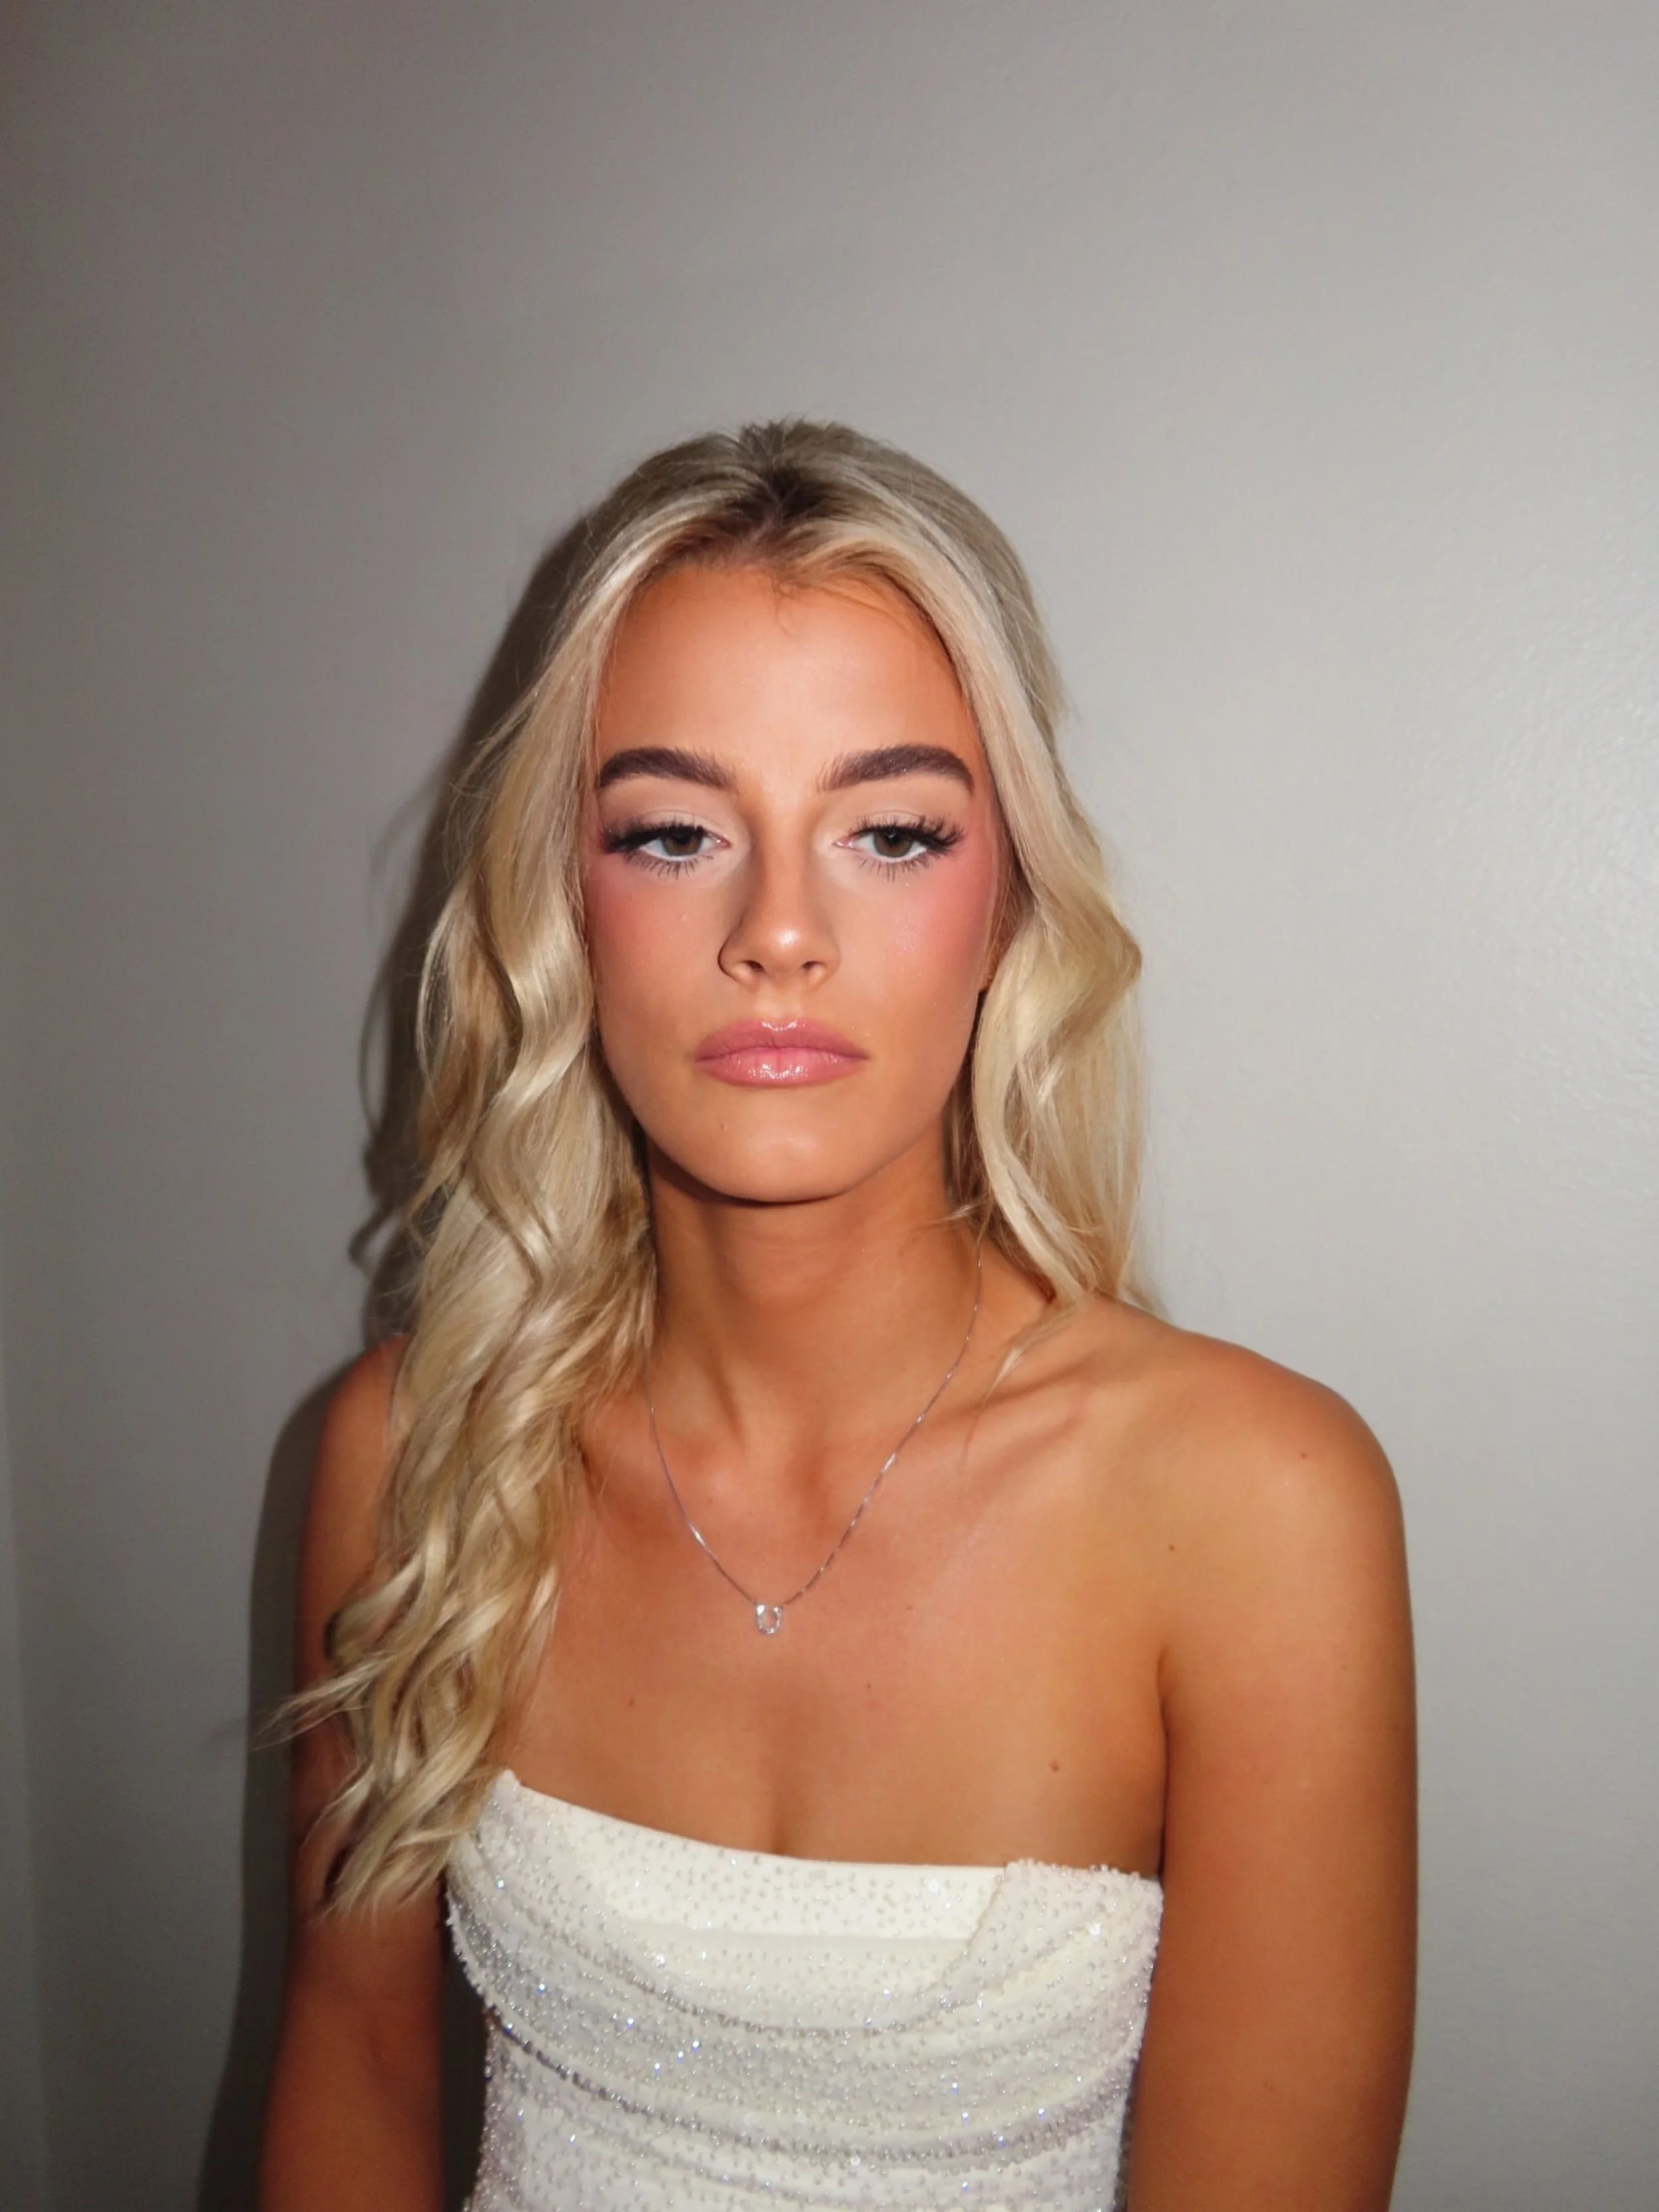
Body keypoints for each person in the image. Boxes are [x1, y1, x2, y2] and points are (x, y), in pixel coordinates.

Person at [260, 421, 1415, 2211]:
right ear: (565, 899)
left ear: (1005, 900)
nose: (776, 929)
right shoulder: (409, 1446)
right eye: (669, 830)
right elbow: (355, 2058)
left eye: (887, 831)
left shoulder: (1254, 1503)